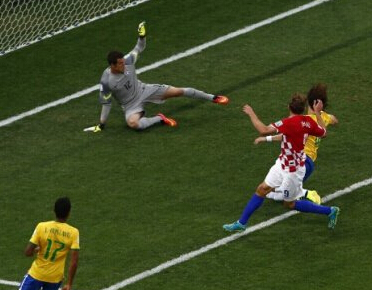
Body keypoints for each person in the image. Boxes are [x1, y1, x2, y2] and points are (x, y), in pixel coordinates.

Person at [223, 93, 341, 232]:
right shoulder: (308, 122)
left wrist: (251, 113)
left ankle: (330, 211)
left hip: (294, 171)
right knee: (262, 189)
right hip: (282, 163)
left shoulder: (287, 123)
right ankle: (241, 223)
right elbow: (323, 133)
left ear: (288, 107)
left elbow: (263, 130)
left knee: (289, 204)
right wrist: (317, 112)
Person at [87, 21, 229, 132]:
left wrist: (142, 37)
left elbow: (139, 47)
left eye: (123, 62)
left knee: (178, 91)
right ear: (112, 65)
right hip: (130, 105)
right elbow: (106, 104)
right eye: (120, 64)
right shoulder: (106, 81)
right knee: (133, 124)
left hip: (144, 90)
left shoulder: (128, 61)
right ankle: (159, 119)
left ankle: (213, 98)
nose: (124, 65)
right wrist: (102, 124)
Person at [255, 83, 339, 203]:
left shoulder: (307, 122)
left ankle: (307, 193)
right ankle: (296, 192)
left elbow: (285, 136)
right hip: (310, 162)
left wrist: (267, 138)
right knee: (276, 192)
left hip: (300, 161)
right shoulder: (324, 117)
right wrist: (322, 114)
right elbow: (334, 120)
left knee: (278, 195)